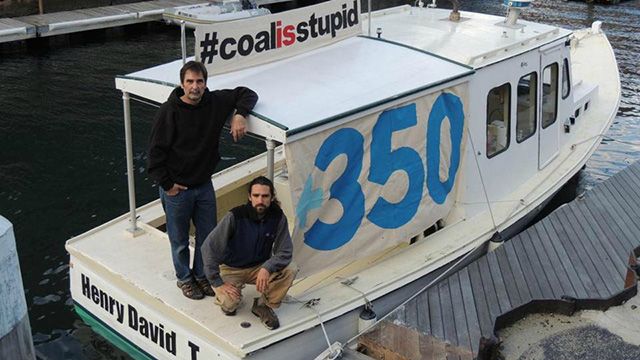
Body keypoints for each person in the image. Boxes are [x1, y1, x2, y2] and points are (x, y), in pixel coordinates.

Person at [148, 61, 258, 300]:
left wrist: (240, 115)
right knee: (178, 240)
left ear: (205, 83)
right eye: (190, 82)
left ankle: (201, 276)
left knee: (207, 238)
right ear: (182, 84)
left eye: (199, 81)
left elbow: (246, 93)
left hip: (204, 185)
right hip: (177, 189)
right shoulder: (169, 111)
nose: (195, 87)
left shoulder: (214, 102)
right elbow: (155, 155)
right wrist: (168, 185)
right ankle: (184, 279)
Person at [202, 176, 296, 330]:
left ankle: (263, 305)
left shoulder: (278, 217)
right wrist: (217, 282)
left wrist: (267, 267)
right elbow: (208, 247)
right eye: (256, 195)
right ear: (249, 197)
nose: (260, 200)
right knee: (229, 305)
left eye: (265, 196)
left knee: (291, 268)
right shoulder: (235, 216)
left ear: (272, 198)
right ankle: (229, 296)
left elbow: (285, 251)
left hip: (258, 267)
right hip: (231, 268)